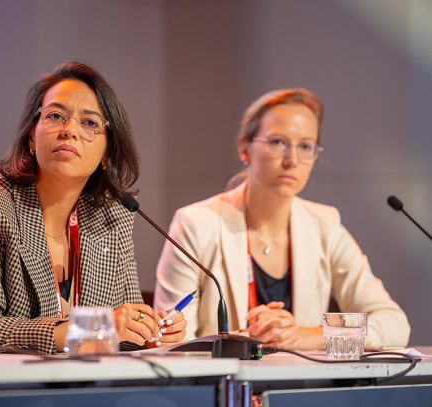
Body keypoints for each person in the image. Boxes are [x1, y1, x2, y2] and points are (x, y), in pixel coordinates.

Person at [0, 61, 186, 354]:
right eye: (55, 116)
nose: (69, 130)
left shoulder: (112, 218)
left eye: (90, 123)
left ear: (106, 154)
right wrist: (91, 328)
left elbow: (119, 330)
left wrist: (147, 333)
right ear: (31, 137)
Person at [154, 88, 409, 350]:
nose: (292, 160)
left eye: (305, 146)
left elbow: (395, 324)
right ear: (244, 148)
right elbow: (171, 342)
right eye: (277, 142)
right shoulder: (196, 224)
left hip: (299, 378)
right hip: (222, 377)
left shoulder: (325, 225)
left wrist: (310, 335)